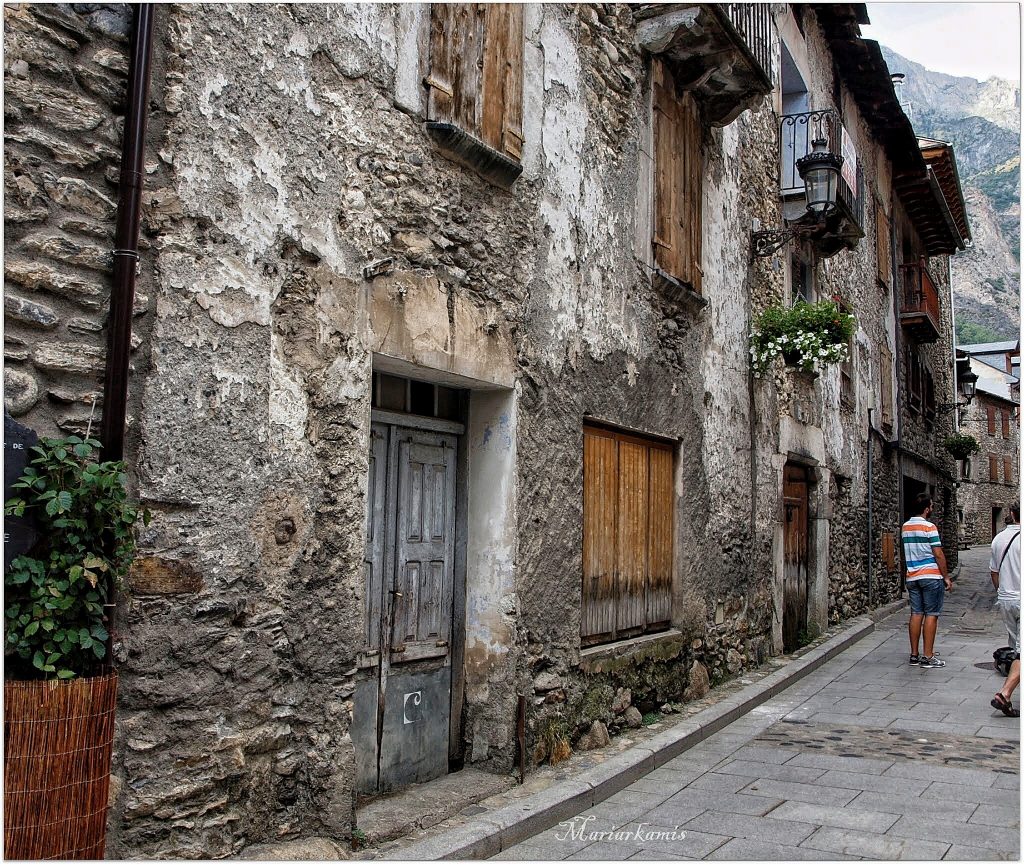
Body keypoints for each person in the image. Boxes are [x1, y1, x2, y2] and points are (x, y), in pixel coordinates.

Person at [902, 493, 952, 668]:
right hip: (930, 576)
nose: (932, 508)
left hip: (912, 576)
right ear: (926, 509)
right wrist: (946, 577)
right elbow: (938, 553)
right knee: (931, 614)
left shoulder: (905, 527)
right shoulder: (930, 527)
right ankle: (928, 657)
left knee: (916, 613)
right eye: (931, 506)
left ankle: (914, 655)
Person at [990, 504, 1021, 717]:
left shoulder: (998, 539)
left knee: (1017, 647)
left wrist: (1002, 592)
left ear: (1011, 515)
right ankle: (1005, 693)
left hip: (1006, 601)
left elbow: (994, 572)